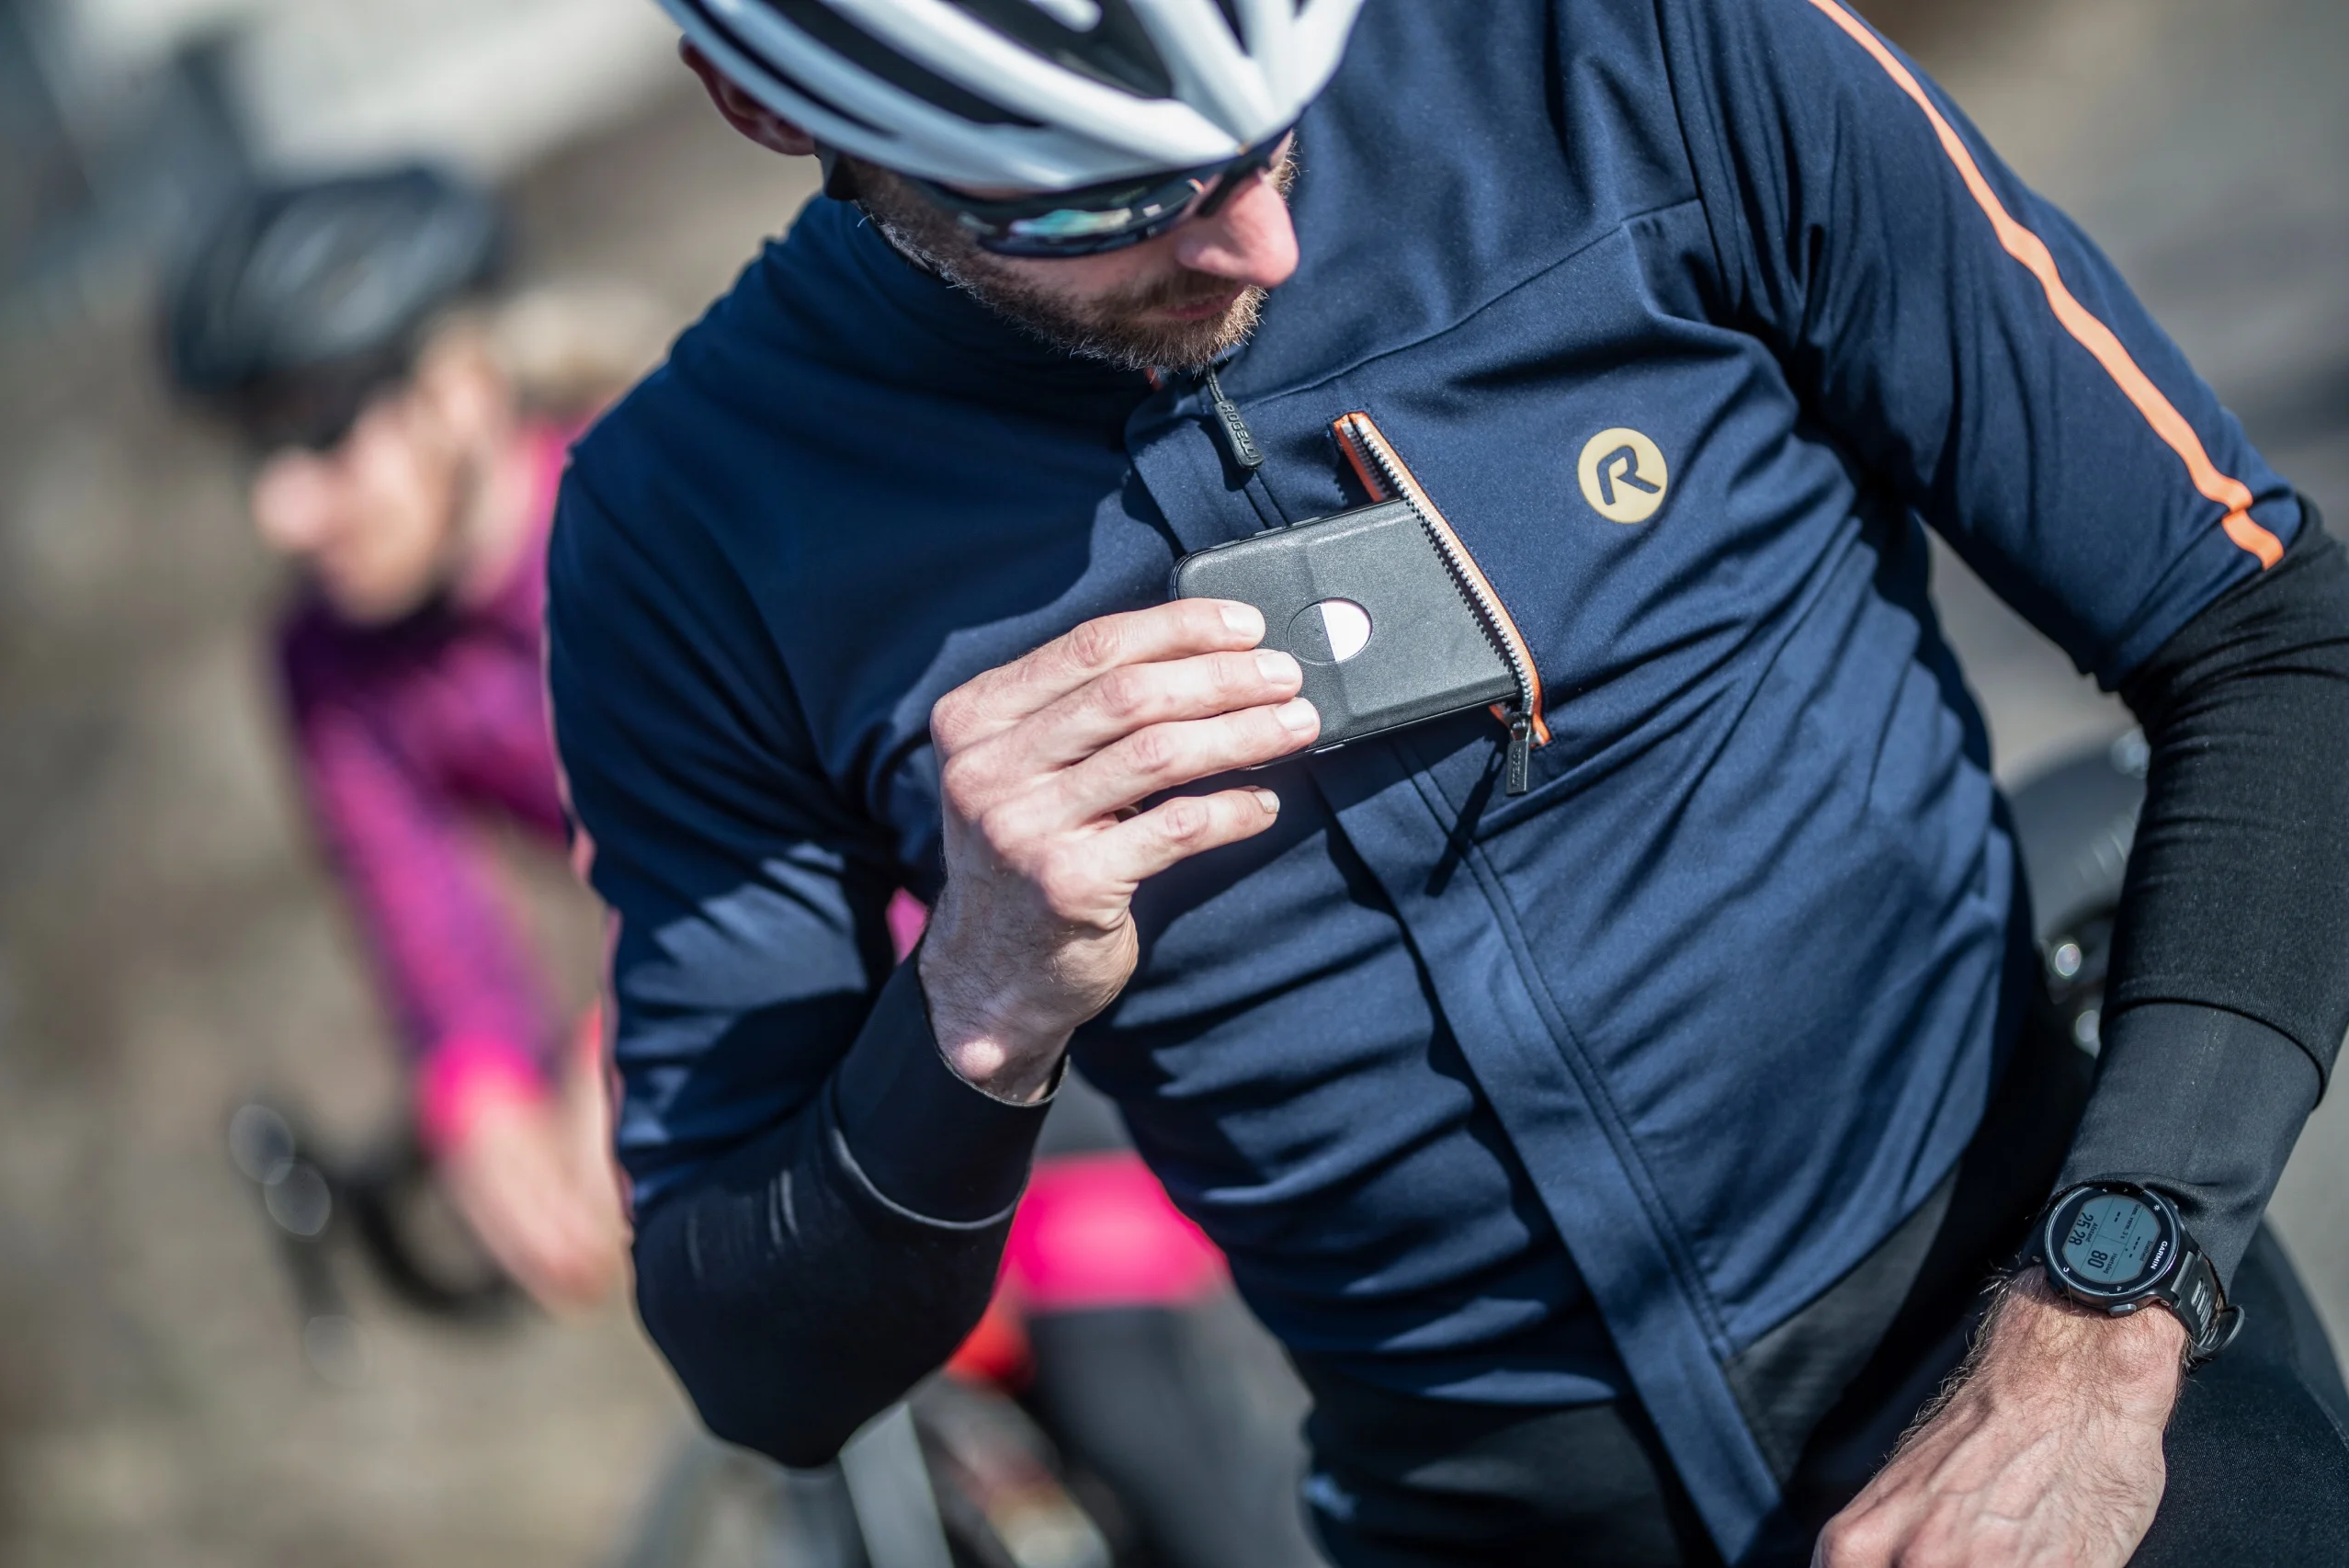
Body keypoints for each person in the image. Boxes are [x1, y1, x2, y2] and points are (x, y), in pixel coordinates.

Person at [544, 3, 2349, 1563]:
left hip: (2038, 1303)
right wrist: (979, 1006)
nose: (1256, 240)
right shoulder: (683, 529)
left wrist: (2100, 1319)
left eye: (1276, 129)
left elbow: (2268, 638)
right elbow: (761, 1363)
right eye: (1104, 202)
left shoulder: (1622, 50)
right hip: (1476, 1504)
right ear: (760, 103)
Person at [165, 166, 660, 1312]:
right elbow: (422, 912)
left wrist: (652, 1026)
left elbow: (823, 808)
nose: (279, 510)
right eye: (256, 455)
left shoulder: (661, 506)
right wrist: (477, 1092)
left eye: (323, 433)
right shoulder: (334, 661)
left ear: (462, 386)